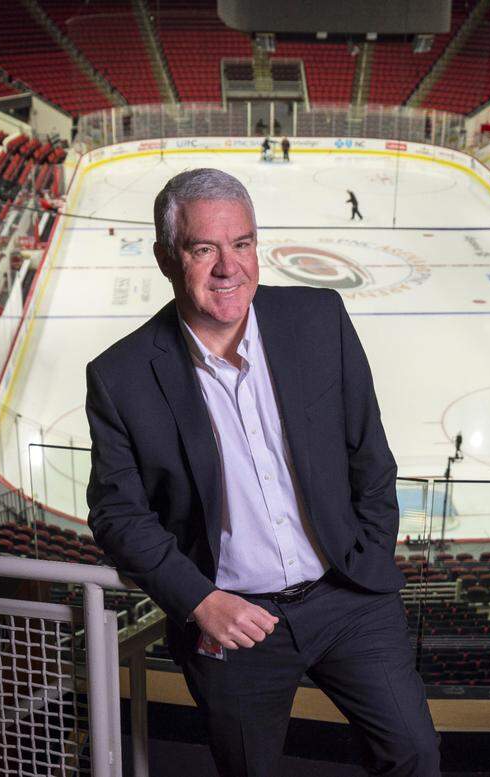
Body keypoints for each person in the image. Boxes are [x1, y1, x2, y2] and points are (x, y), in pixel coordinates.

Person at [85, 168, 440, 777]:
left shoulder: (318, 317)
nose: (230, 267)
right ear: (166, 259)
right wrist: (199, 601)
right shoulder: (120, 376)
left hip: (347, 598)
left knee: (414, 752)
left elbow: (370, 455)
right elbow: (118, 513)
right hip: (232, 621)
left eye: (242, 244)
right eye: (205, 249)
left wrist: (369, 556)